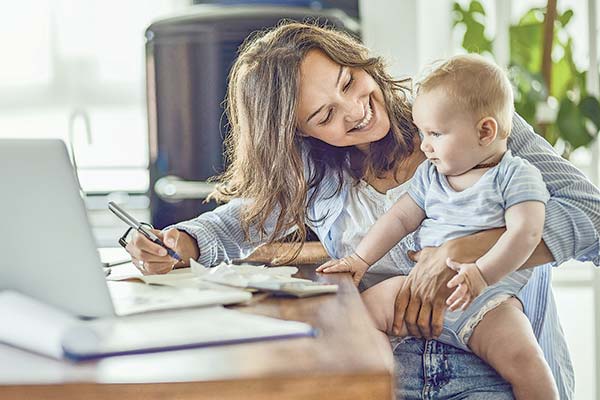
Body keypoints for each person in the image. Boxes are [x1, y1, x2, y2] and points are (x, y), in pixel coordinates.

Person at [124, 22, 600, 399]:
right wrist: (176, 242)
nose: (354, 110)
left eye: (349, 83)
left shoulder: (464, 116)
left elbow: (592, 218)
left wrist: (464, 249)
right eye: (325, 116)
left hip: (498, 371)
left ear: (358, 61)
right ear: (301, 135)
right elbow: (240, 219)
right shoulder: (318, 171)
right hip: (390, 375)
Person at [316, 54, 558, 399]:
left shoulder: (516, 176)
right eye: (421, 132)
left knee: (527, 362)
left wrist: (482, 274)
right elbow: (399, 218)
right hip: (416, 287)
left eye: (435, 134)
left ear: (485, 131)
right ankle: (383, 387)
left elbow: (526, 234)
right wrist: (360, 260)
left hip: (488, 301)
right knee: (359, 315)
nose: (424, 144)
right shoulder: (432, 175)